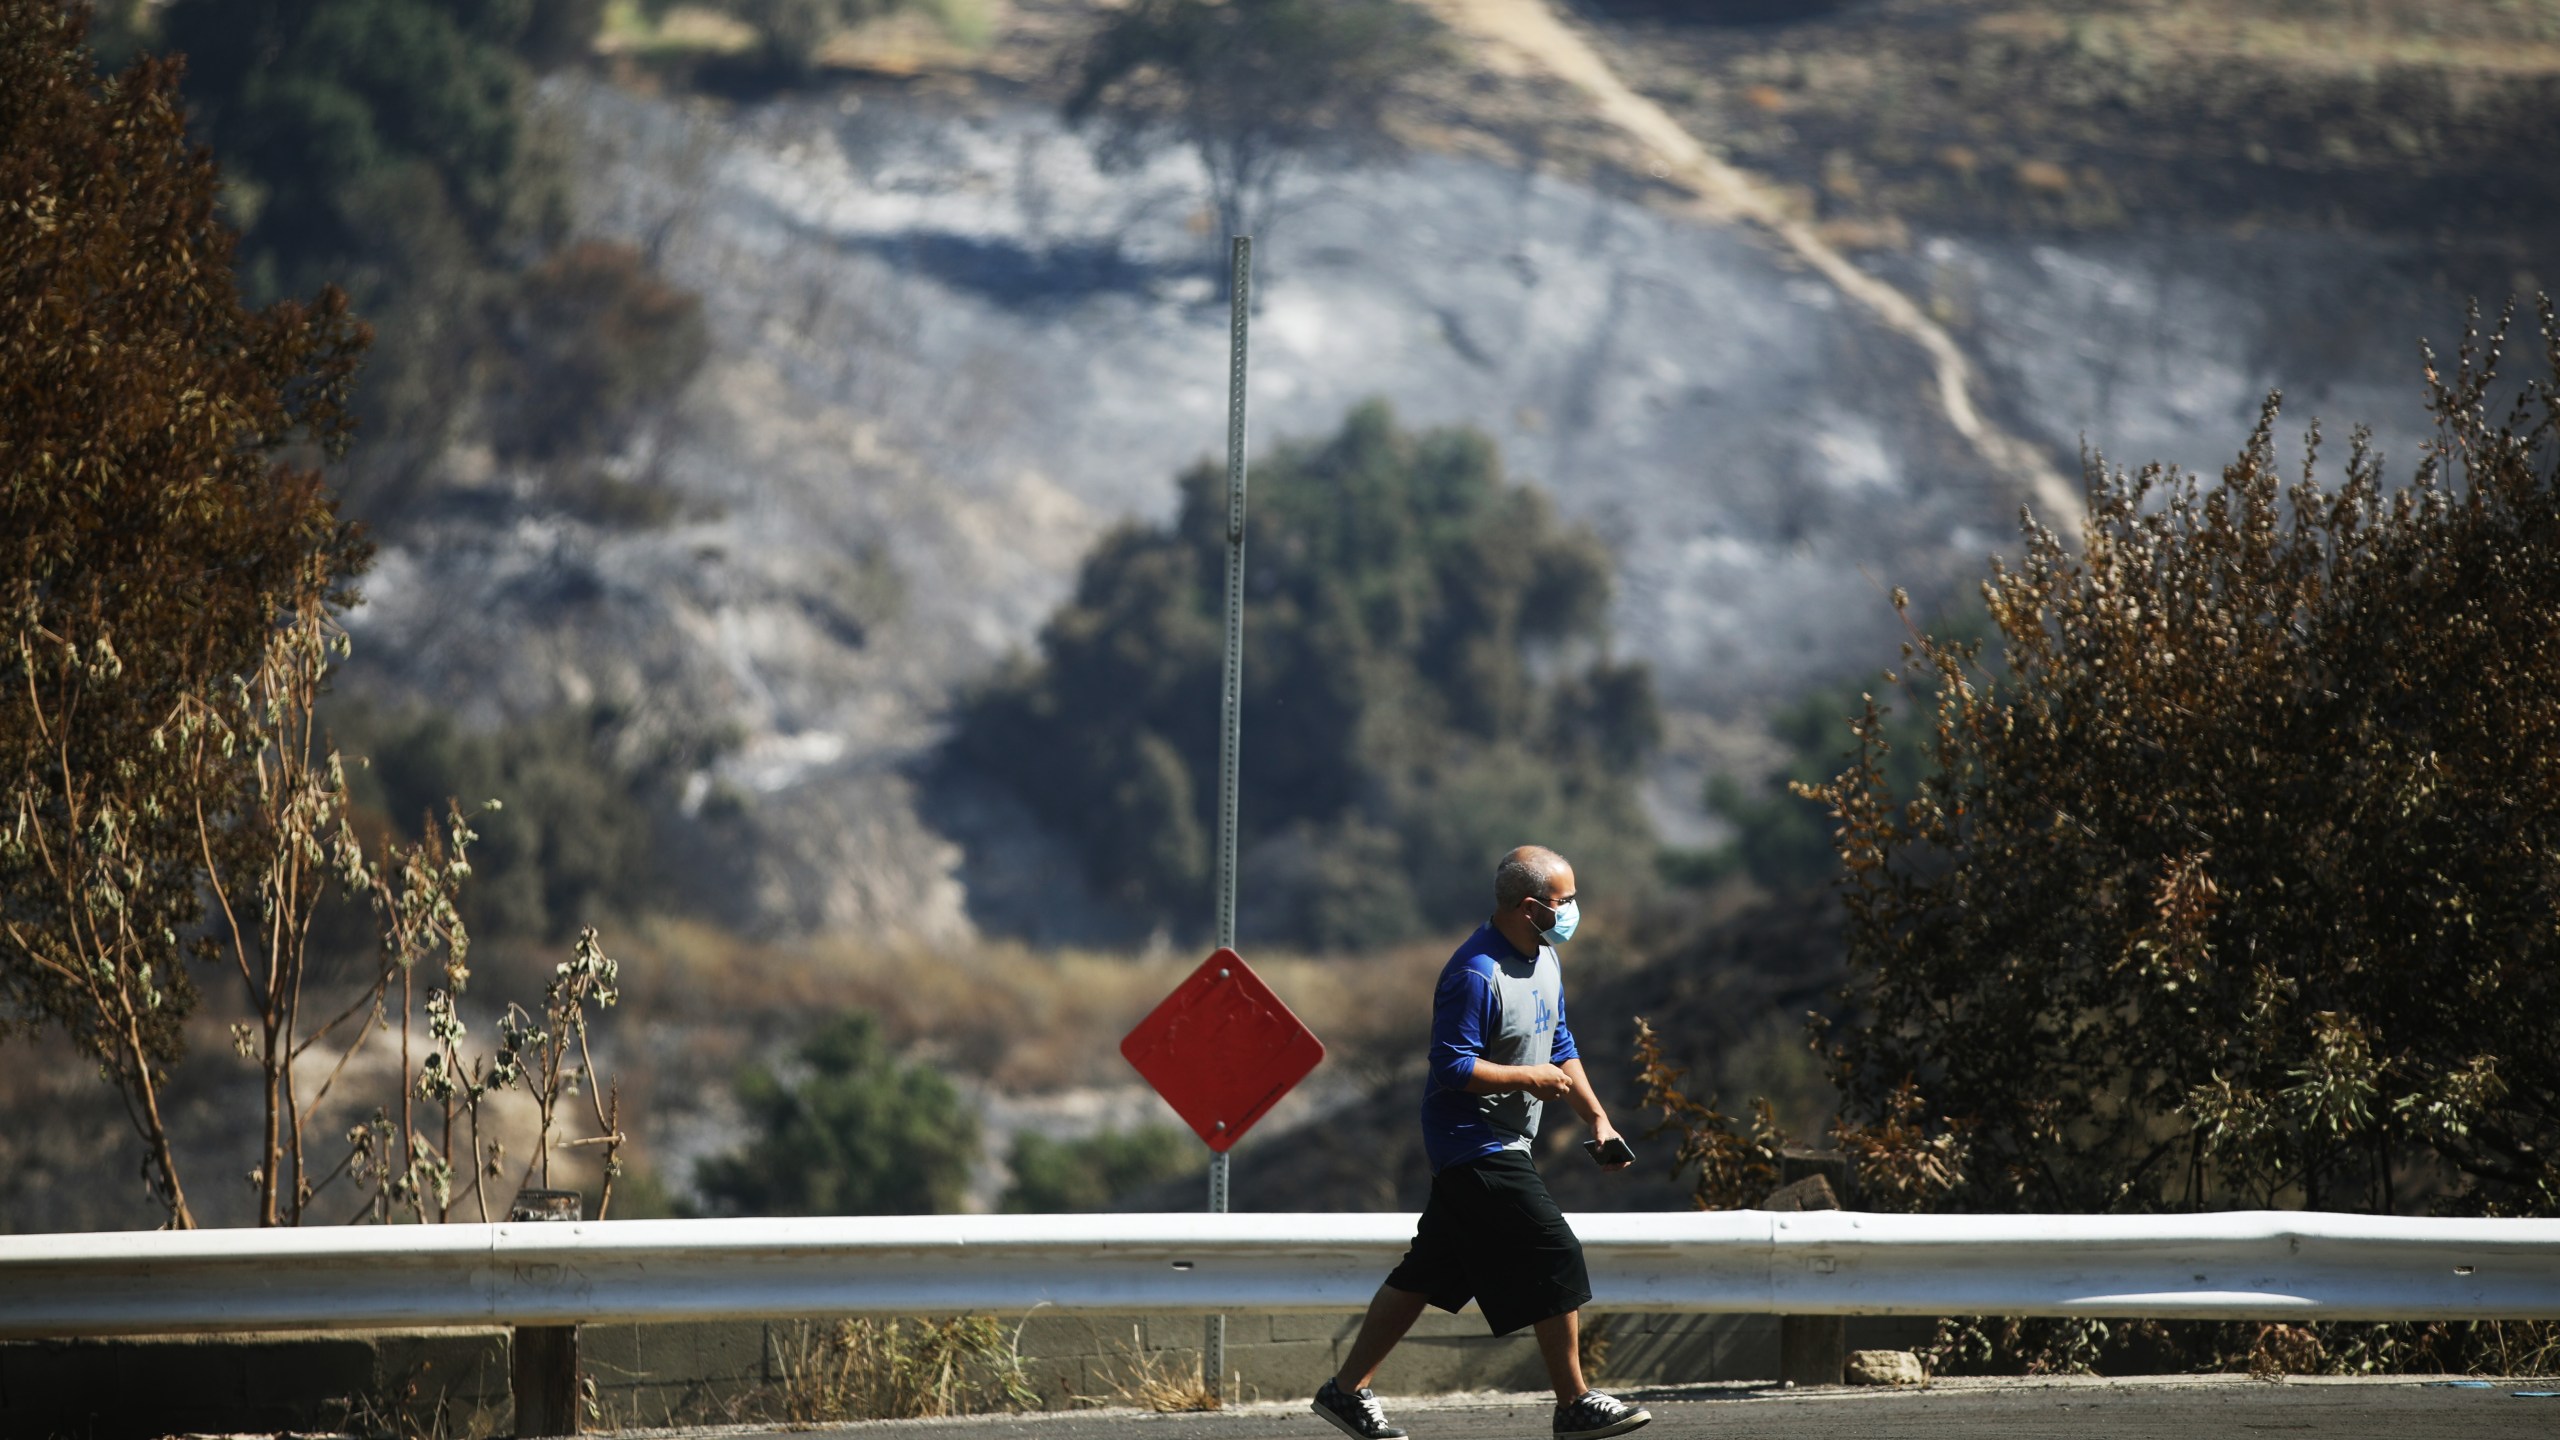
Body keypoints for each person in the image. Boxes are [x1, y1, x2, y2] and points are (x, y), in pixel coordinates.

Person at [1311, 846, 1652, 1440]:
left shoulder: (1544, 957)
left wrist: (1598, 1118)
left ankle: (1345, 1392)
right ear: (1529, 906)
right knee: (1554, 1250)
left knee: (1427, 1271)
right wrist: (1530, 1078)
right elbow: (1451, 1066)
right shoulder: (1475, 973)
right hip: (1471, 1142)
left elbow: (1560, 1042)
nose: (1574, 911)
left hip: (1508, 1141)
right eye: (1565, 901)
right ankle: (1573, 1403)